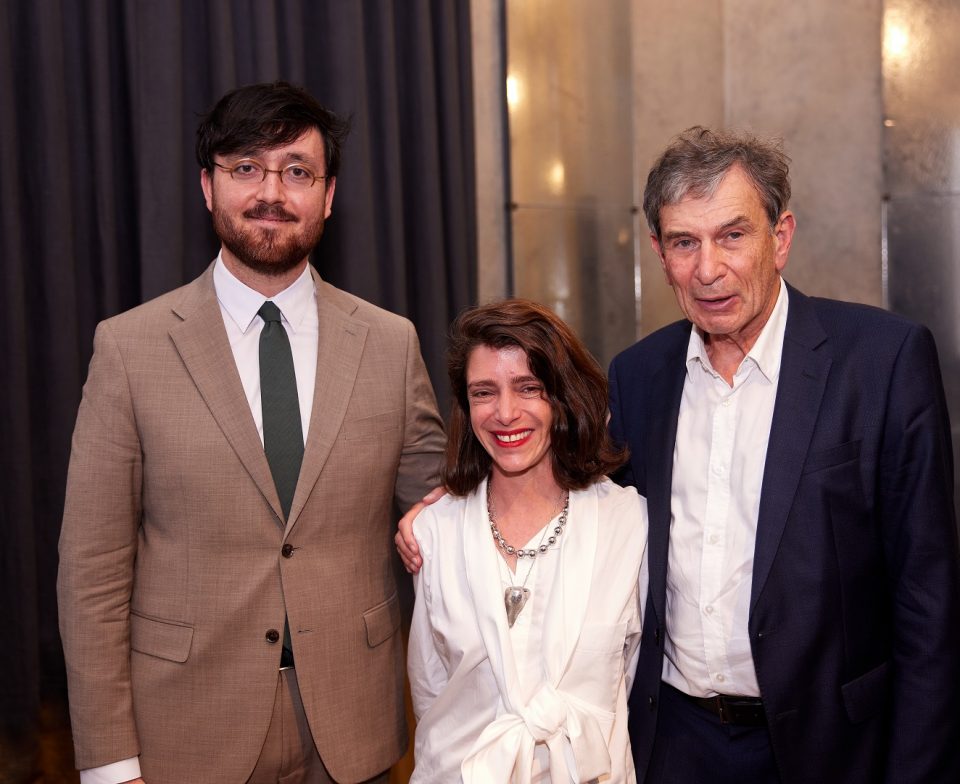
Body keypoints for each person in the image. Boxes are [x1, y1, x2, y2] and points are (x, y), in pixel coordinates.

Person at [398, 127, 960, 783]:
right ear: (660, 254)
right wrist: (454, 507)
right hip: (673, 743)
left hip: (829, 745)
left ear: (780, 238)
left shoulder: (881, 362)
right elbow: (573, 492)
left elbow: (928, 602)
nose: (708, 269)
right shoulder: (639, 377)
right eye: (684, 242)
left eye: (732, 235)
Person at [58, 81, 445, 784]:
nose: (272, 192)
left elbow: (448, 516)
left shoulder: (390, 344)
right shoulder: (129, 348)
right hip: (185, 731)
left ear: (328, 196)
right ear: (208, 186)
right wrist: (110, 765)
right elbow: (91, 574)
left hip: (353, 728)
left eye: (297, 171)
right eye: (246, 168)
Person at [407, 299, 648, 783]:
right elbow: (431, 690)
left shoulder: (626, 521)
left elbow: (632, 678)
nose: (506, 413)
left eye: (528, 388)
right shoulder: (435, 531)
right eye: (484, 392)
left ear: (562, 397)